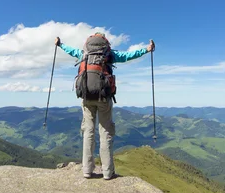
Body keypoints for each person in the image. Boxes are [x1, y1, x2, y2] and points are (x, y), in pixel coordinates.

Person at [55, 33, 154, 180]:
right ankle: (108, 172)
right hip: (103, 98)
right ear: (104, 43)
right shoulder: (109, 54)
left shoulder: (84, 53)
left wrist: (60, 44)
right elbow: (128, 55)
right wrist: (146, 49)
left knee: (88, 132)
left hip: (86, 97)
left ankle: (87, 171)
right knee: (105, 132)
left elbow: (70, 50)